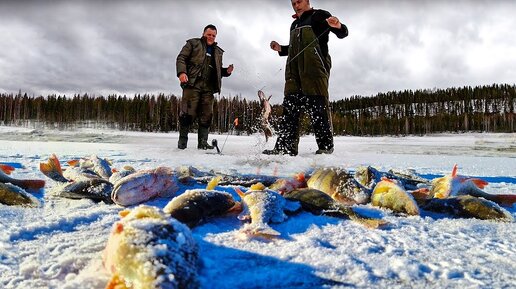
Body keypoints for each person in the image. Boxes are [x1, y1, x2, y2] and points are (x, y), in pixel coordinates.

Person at [263, 0, 348, 156]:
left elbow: (343, 33)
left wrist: (338, 26)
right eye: (293, 2)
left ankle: (325, 147)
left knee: (317, 109)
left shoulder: (319, 15)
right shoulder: (294, 25)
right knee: (290, 110)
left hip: (314, 70)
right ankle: (285, 148)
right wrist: (280, 48)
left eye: (299, 1)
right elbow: (294, 49)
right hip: (293, 73)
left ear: (307, 1)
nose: (296, 4)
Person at [176, 24, 234, 150]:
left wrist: (226, 72)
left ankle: (203, 144)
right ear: (203, 33)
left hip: (208, 87)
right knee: (187, 114)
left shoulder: (218, 51)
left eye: (213, 35)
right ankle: (182, 144)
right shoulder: (193, 43)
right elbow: (181, 58)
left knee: (206, 116)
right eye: (209, 34)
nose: (211, 37)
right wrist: (182, 72)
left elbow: (218, 71)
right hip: (192, 84)